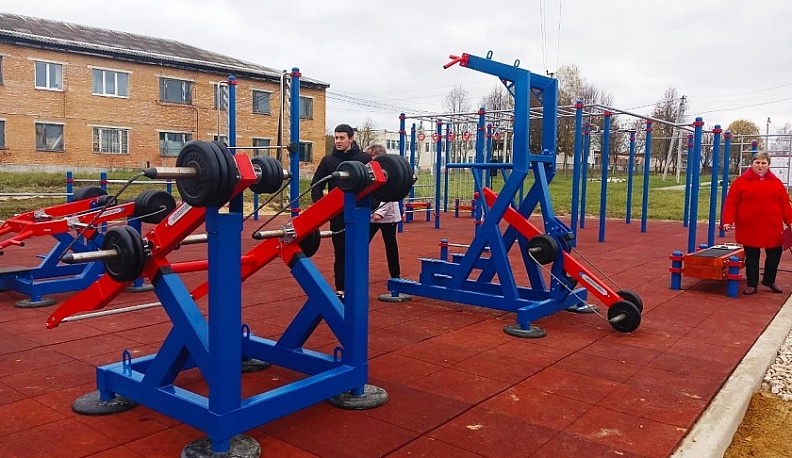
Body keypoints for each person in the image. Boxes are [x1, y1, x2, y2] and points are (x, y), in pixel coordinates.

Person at [310, 124, 371, 299]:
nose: (338, 141)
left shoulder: (364, 159)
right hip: (338, 216)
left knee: (358, 252)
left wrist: (370, 208)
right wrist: (323, 209)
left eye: (342, 138)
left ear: (351, 139)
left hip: (359, 214)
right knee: (341, 253)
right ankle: (341, 290)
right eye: (336, 137)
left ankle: (357, 288)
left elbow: (373, 188)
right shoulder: (328, 161)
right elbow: (316, 186)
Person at [722, 151, 792, 295]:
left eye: (763, 163)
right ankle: (752, 284)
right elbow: (731, 203)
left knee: (774, 253)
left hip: (772, 225)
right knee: (752, 255)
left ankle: (769, 280)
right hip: (749, 225)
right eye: (757, 163)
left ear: (768, 165)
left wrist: (790, 221)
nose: (760, 166)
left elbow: (785, 204)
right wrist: (727, 221)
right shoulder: (740, 182)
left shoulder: (776, 183)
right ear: (752, 164)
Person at [366, 144, 403, 279]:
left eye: (370, 157)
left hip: (388, 217)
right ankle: (358, 272)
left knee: (390, 244)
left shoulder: (389, 170)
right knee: (363, 242)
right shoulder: (370, 171)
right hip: (373, 214)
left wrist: (380, 212)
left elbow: (390, 195)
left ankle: (395, 275)